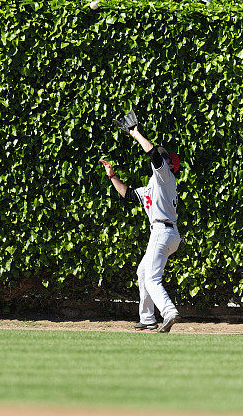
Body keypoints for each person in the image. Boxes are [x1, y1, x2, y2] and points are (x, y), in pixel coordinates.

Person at [99, 125, 182, 333]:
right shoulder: (154, 185)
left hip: (162, 232)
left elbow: (153, 153)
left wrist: (135, 134)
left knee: (152, 278)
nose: (162, 160)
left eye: (166, 159)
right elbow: (128, 195)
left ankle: (169, 311)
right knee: (143, 271)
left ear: (171, 165)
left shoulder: (165, 177)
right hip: (167, 233)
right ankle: (147, 319)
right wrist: (112, 176)